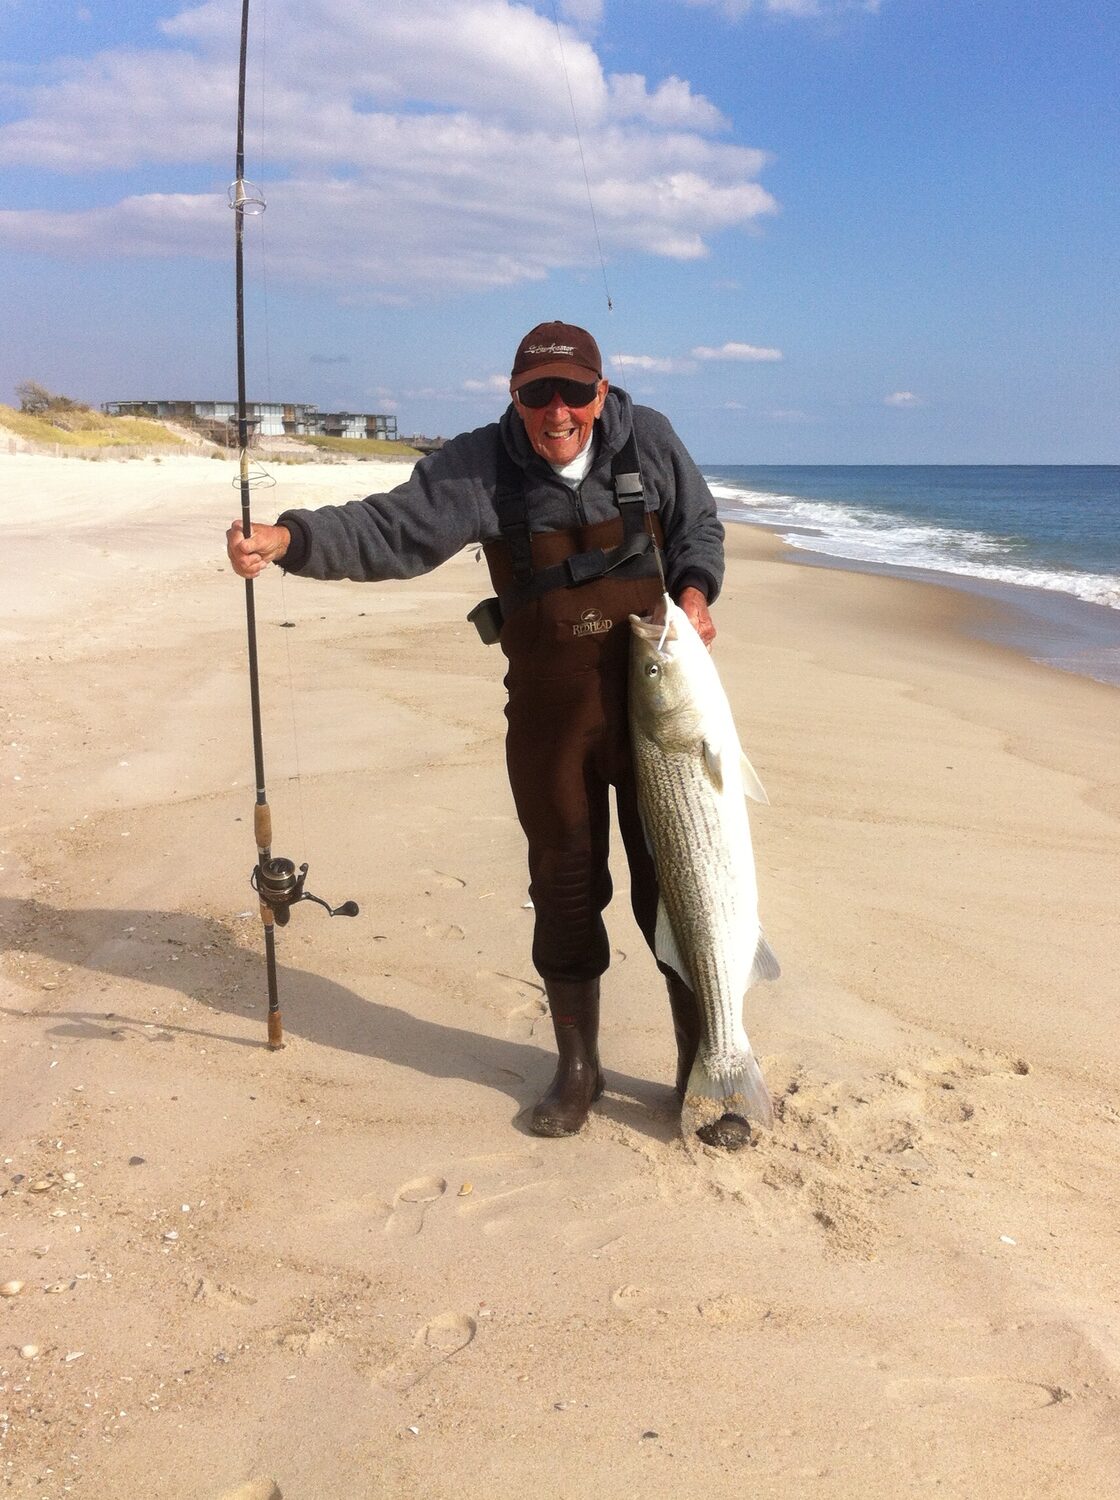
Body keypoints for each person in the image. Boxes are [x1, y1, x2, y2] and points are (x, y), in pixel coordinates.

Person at [227, 320, 750, 1150]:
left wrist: (693, 592)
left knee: (680, 891)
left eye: (574, 392)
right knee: (566, 893)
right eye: (537, 394)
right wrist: (289, 540)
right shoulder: (479, 465)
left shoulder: (646, 440)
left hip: (661, 719)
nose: (557, 412)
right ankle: (580, 1069)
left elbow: (699, 528)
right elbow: (390, 530)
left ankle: (703, 1065)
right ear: (514, 396)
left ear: (600, 394)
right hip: (552, 724)